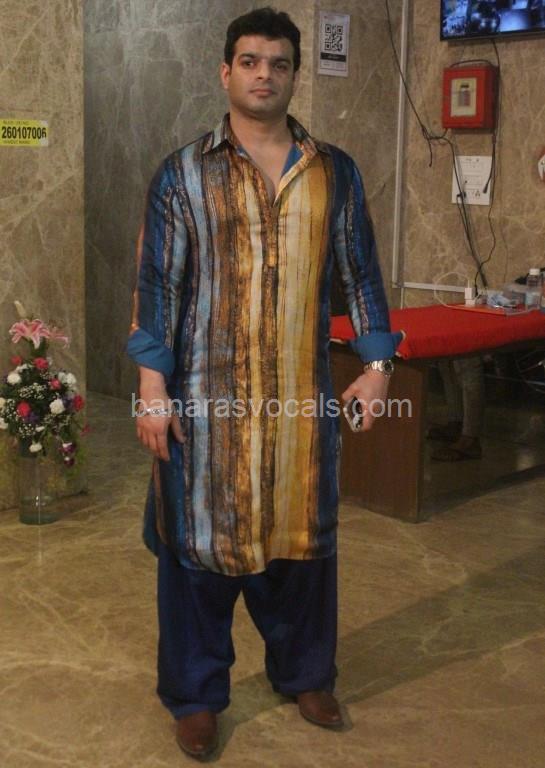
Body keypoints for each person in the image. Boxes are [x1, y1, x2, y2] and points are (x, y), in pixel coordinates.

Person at [127, 7, 402, 760]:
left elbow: (361, 277)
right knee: (197, 552)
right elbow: (158, 287)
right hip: (204, 409)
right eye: (249, 61)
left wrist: (378, 369)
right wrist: (152, 388)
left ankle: (305, 675)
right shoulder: (183, 173)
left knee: (300, 544)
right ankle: (195, 696)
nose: (263, 75)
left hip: (297, 407)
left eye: (278, 63)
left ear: (294, 75)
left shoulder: (333, 171)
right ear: (226, 72)